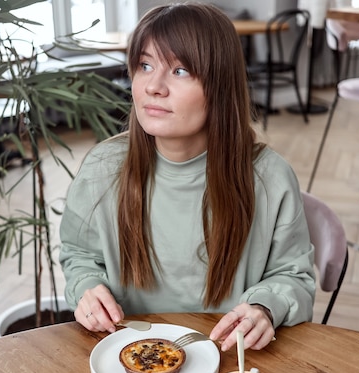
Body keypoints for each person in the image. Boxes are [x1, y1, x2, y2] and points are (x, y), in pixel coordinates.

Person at [59, 2, 316, 352]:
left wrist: (265, 307)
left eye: (179, 71)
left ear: (220, 86)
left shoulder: (270, 178)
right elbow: (79, 255)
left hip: (229, 360)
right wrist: (87, 287)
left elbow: (294, 275)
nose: (153, 86)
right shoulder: (102, 169)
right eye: (145, 65)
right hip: (125, 356)